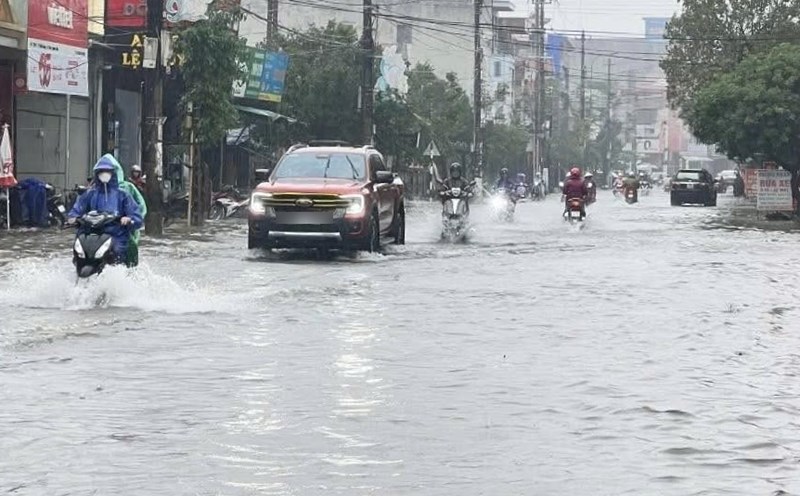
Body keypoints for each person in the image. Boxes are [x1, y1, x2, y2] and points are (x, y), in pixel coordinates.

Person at [68, 156, 143, 265]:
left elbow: (136, 216)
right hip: (91, 233)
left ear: (113, 173)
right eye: (101, 171)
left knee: (117, 252)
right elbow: (77, 208)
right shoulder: (90, 194)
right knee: (78, 253)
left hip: (116, 234)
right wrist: (73, 218)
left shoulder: (123, 195)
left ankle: (119, 274)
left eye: (107, 171)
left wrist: (128, 219)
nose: (104, 174)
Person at [109, 155, 148, 267]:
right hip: (104, 226)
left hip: (125, 225)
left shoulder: (128, 187)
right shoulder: (96, 189)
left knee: (130, 246)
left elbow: (141, 206)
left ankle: (131, 272)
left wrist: (131, 218)